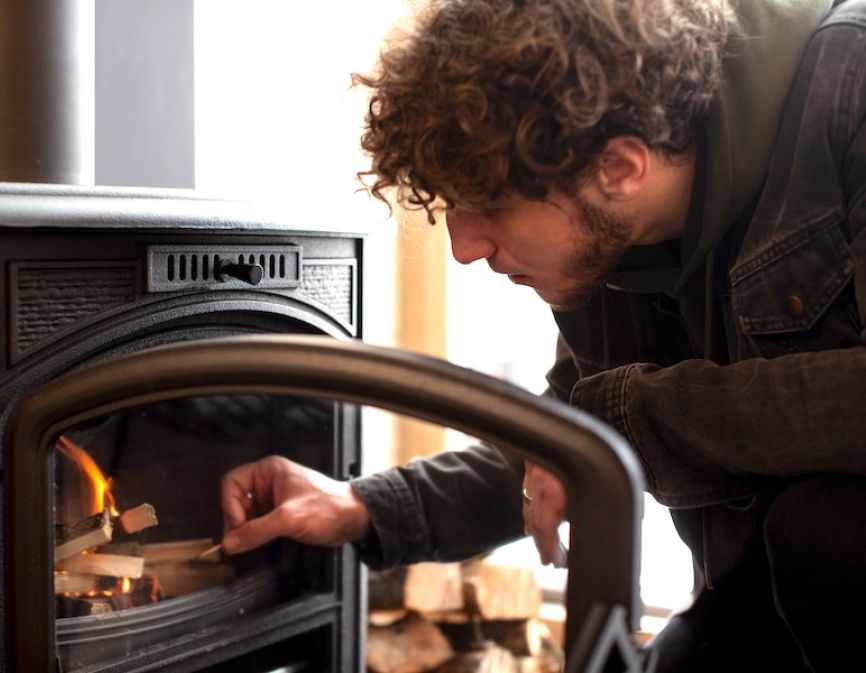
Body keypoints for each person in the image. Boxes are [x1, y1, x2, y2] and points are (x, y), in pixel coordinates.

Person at [220, 0, 866, 670]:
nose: (463, 247)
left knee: (825, 524)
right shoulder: (614, 238)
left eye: (491, 205)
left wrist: (628, 420)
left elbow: (617, 422)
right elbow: (563, 442)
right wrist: (361, 505)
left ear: (621, 168)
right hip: (755, 612)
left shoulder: (852, 85)